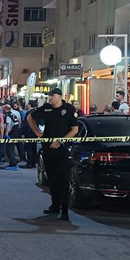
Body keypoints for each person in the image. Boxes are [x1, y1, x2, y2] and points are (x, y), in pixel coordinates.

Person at [28, 87, 79, 221]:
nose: (50, 98)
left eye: (52, 96)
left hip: (62, 151)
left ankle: (65, 210)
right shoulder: (46, 108)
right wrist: (38, 133)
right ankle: (54, 205)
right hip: (48, 149)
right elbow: (30, 118)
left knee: (63, 180)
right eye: (49, 96)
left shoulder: (68, 109)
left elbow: (74, 129)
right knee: (52, 178)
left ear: (59, 96)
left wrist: (60, 141)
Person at [20, 99, 39, 169]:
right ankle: (34, 162)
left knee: (29, 148)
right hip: (35, 132)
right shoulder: (37, 112)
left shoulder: (28, 113)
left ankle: (29, 162)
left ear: (29, 105)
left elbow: (25, 124)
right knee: (34, 148)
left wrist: (23, 133)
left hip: (29, 132)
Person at [2, 104, 21, 171]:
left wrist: (6, 134)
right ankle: (13, 163)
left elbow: (8, 125)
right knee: (12, 149)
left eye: (3, 108)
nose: (2, 110)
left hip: (12, 134)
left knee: (9, 149)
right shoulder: (13, 115)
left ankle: (13, 164)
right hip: (17, 133)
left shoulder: (8, 116)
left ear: (6, 109)